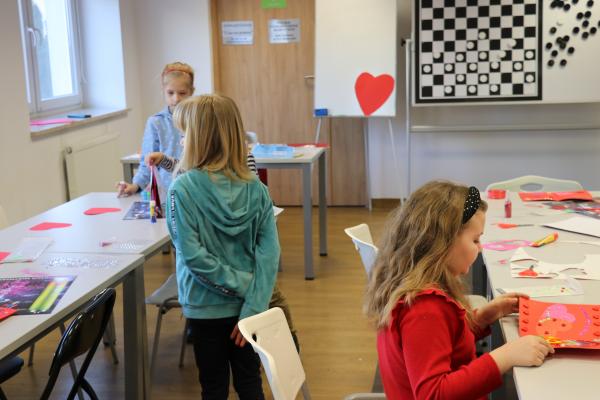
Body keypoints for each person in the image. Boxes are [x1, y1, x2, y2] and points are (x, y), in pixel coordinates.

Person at [364, 181, 554, 400]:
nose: (480, 248)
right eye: (476, 239)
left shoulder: (415, 290)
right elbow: (434, 394)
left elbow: (441, 341)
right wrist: (505, 356)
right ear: (443, 243)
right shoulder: (424, 308)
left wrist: (482, 318)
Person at [166, 94, 280, 399]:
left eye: (184, 134)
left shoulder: (181, 190)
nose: (180, 141)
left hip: (204, 308)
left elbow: (193, 258)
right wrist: (254, 298)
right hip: (251, 306)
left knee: (213, 387)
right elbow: (270, 255)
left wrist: (244, 288)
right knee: (250, 382)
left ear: (198, 140)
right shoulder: (257, 189)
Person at [117, 61, 194, 197]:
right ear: (163, 90)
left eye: (182, 93)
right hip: (167, 192)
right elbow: (148, 161)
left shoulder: (200, 119)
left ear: (191, 92)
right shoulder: (156, 122)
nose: (176, 98)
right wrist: (135, 186)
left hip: (194, 190)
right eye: (170, 93)